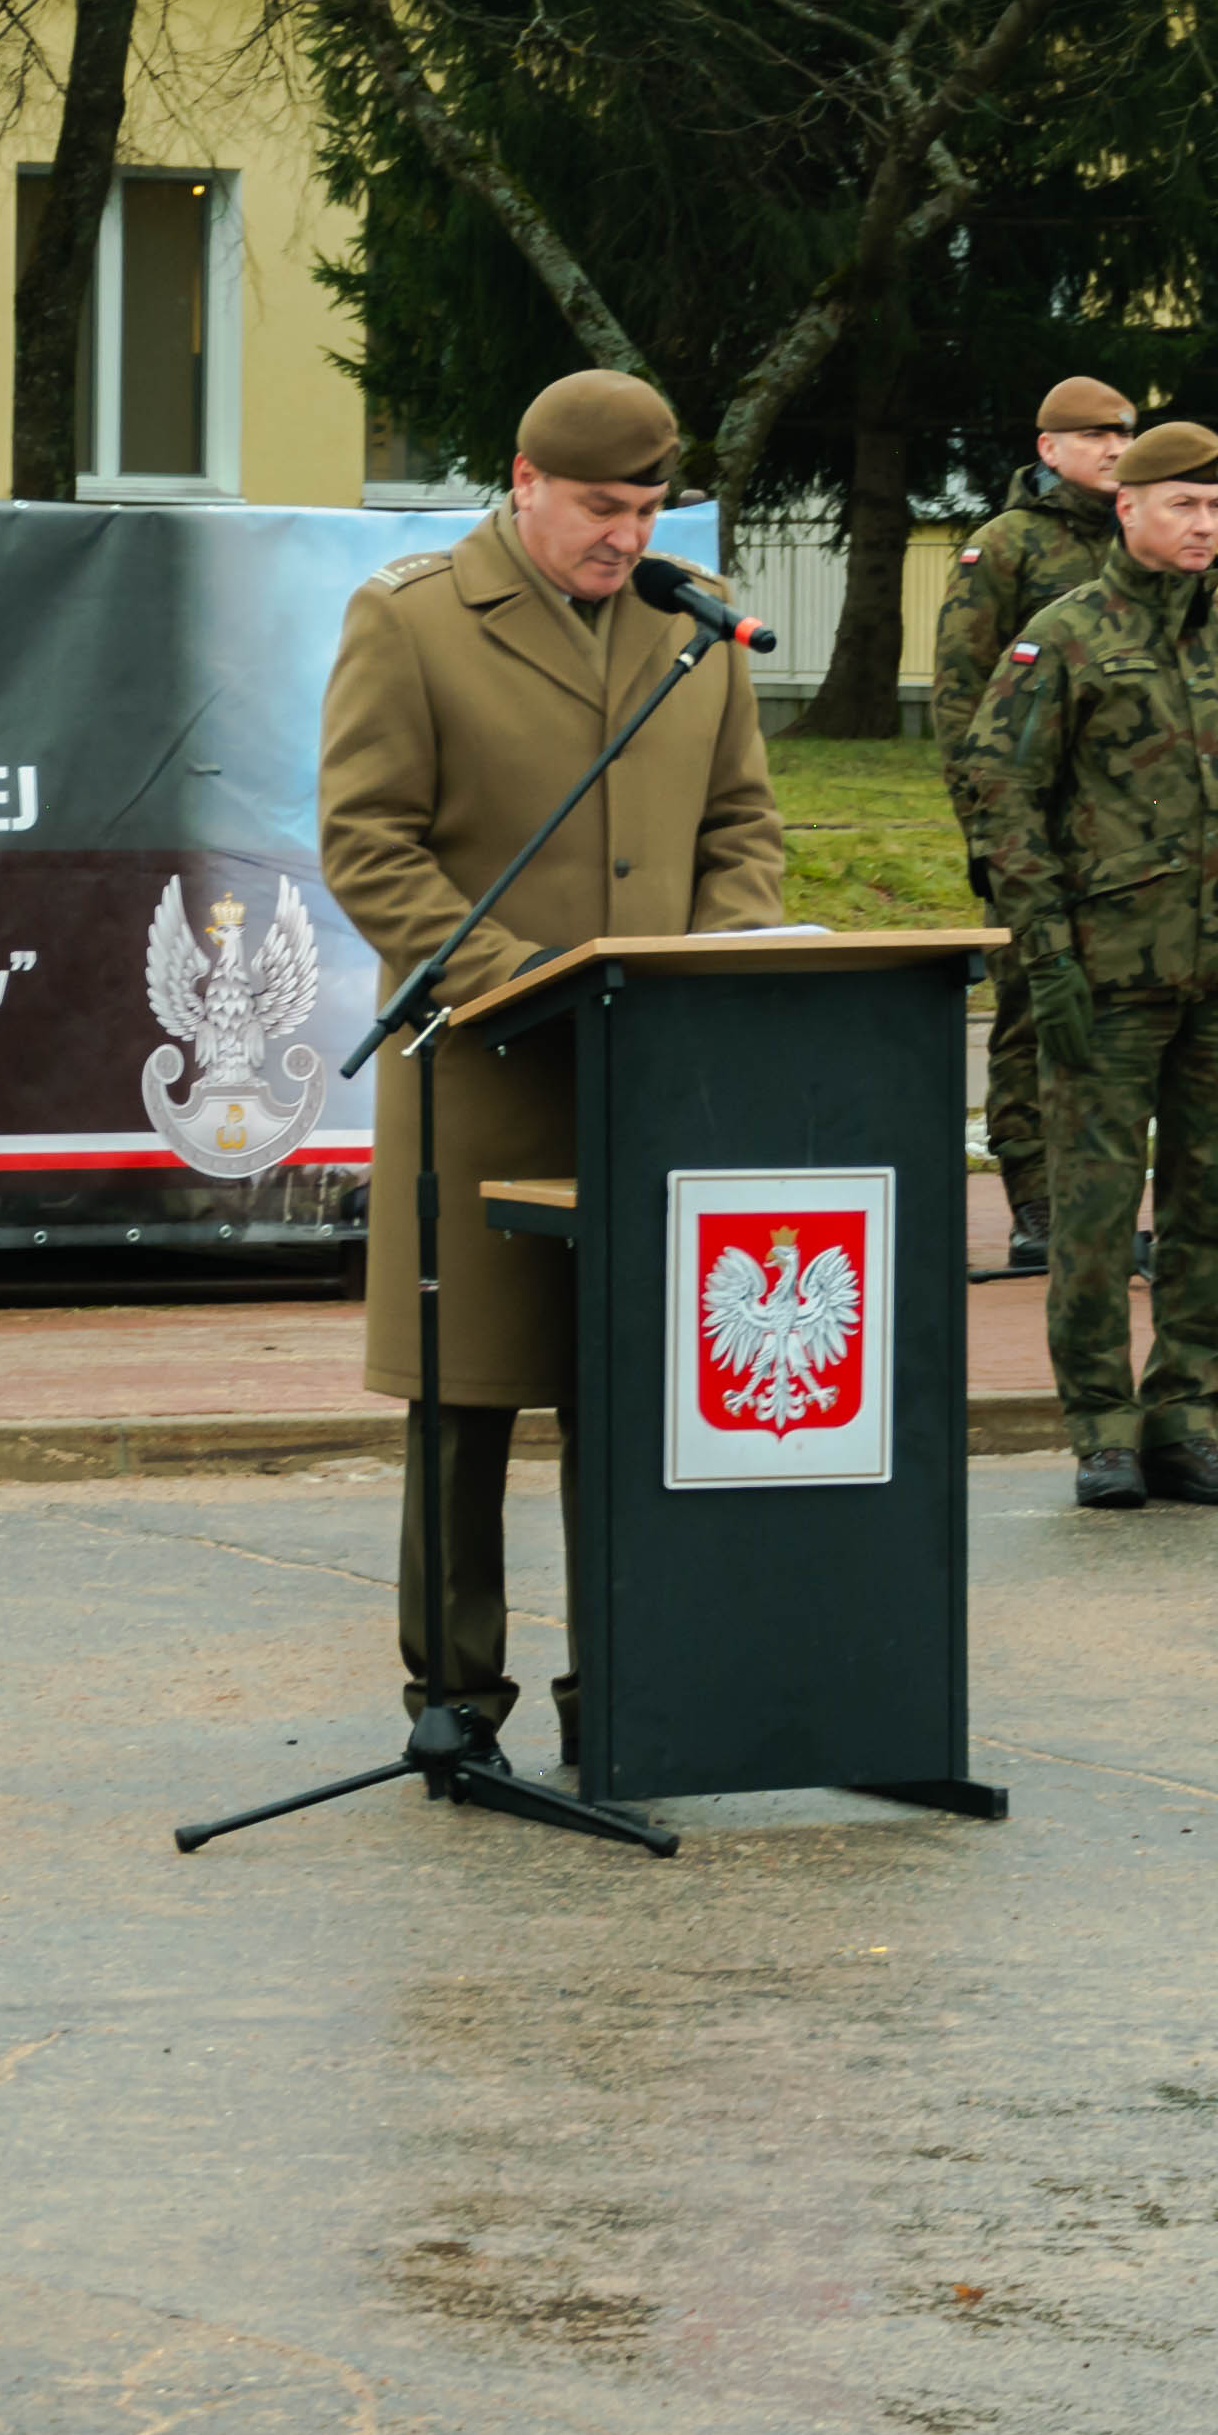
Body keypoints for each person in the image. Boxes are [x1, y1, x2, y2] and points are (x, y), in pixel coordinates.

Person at [317, 368, 786, 1769]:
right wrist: (514, 977)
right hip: (482, 1061)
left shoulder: (694, 626)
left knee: (629, 1392)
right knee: (466, 1395)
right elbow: (368, 841)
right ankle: (456, 1696)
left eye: (646, 510)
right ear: (524, 481)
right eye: (598, 508)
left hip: (650, 1067)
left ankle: (626, 1690)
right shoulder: (413, 619)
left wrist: (719, 966)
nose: (625, 537)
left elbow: (741, 826)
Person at [958, 418, 1218, 1509]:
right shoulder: (1064, 637)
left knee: (1212, 1213)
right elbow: (1002, 794)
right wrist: (1044, 956)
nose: (1204, 525)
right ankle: (1102, 1428)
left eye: (1215, 507)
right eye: (1182, 506)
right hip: (1106, 978)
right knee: (1095, 1215)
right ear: (1128, 509)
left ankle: (1186, 1420)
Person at [934, 373, 1136, 1267]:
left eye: (1124, 435)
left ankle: (1102, 1199)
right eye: (1094, 436)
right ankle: (1036, 1204)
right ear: (1049, 448)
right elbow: (960, 698)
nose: (1114, 449)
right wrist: (987, 832)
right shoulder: (1003, 547)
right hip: (1034, 831)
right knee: (1028, 1012)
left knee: (1120, 1016)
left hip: (1130, 835)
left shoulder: (1141, 538)